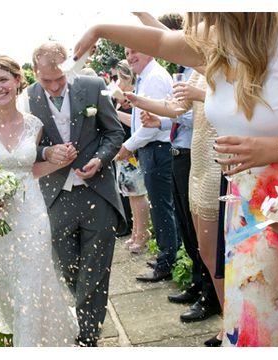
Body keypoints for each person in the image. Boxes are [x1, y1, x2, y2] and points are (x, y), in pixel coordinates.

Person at [73, 11, 278, 347]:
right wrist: (99, 27)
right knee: (254, 321)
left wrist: (276, 148)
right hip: (243, 205)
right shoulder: (218, 36)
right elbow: (159, 40)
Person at [0, 55, 78, 346]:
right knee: (5, 283)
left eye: (3, 80)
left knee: (32, 278)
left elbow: (29, 170)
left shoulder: (34, 125)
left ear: (17, 81)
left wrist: (60, 163)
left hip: (31, 212)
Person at [27, 42, 125, 346]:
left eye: (61, 79)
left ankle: (88, 335)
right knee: (69, 267)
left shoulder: (94, 86)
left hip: (99, 193)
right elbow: (19, 145)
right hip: (56, 196)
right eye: (47, 81)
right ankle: (85, 316)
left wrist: (101, 159)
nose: (55, 87)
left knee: (95, 268)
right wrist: (46, 151)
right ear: (34, 72)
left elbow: (114, 133)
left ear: (70, 67)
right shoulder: (26, 98)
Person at [132, 12, 222, 325]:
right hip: (193, 158)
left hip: (213, 162)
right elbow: (175, 109)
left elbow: (229, 99)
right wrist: (138, 101)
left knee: (213, 245)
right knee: (195, 236)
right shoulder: (193, 72)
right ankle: (205, 291)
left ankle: (216, 303)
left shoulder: (214, 66)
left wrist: (142, 15)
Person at [115, 47, 179, 283]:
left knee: (162, 209)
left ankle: (166, 263)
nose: (130, 57)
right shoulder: (146, 77)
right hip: (152, 150)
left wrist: (127, 146)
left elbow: (151, 127)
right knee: (160, 207)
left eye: (135, 52)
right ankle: (167, 255)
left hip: (158, 149)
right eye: (127, 53)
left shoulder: (154, 78)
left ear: (150, 52)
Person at [113, 61, 150, 252]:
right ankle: (136, 231)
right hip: (126, 152)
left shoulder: (137, 96)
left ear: (127, 78)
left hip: (133, 150)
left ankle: (143, 234)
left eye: (120, 78)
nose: (118, 83)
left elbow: (134, 123)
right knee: (130, 194)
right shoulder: (126, 99)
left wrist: (115, 113)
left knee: (137, 193)